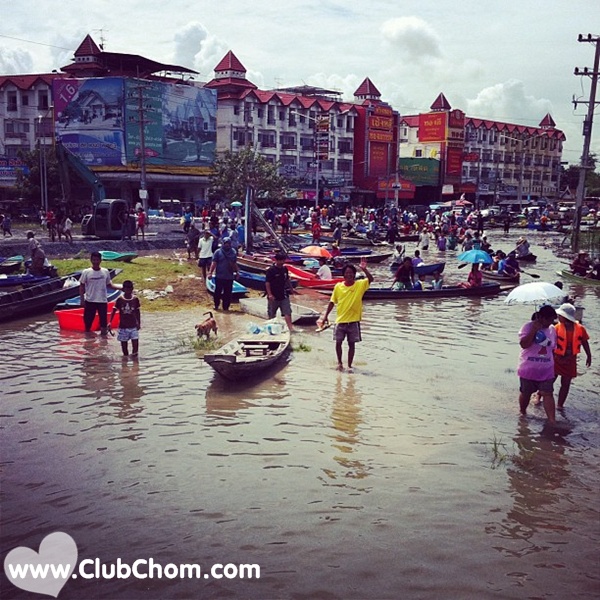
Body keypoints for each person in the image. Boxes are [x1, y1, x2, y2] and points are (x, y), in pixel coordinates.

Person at [320, 258, 373, 373]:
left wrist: (364, 269)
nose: (349, 275)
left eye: (351, 273)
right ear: (343, 275)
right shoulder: (338, 286)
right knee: (338, 342)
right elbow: (332, 302)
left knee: (351, 344)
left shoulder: (360, 285)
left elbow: (371, 279)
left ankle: (349, 365)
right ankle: (339, 363)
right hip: (340, 320)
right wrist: (325, 317)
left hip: (353, 321)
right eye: (347, 273)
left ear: (354, 275)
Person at [517, 305, 558, 424]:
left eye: (553, 320)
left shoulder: (552, 329)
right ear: (541, 317)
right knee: (526, 393)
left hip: (546, 368)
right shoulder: (527, 326)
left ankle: (552, 421)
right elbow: (524, 344)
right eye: (549, 319)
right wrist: (533, 330)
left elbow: (553, 347)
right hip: (528, 368)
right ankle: (523, 413)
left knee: (548, 393)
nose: (552, 322)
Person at [552, 303, 592, 409]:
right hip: (557, 358)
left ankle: (560, 404)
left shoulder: (580, 328)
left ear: (565, 317)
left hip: (570, 359)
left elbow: (585, 342)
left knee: (566, 383)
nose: (558, 317)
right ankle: (539, 395)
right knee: (550, 380)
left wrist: (589, 355)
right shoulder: (556, 328)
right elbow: (551, 344)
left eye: (560, 315)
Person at [79, 252, 123, 335]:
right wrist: (82, 300)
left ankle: (104, 342)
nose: (95, 262)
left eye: (97, 260)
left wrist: (121, 288)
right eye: (94, 260)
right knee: (87, 324)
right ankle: (88, 341)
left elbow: (110, 285)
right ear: (91, 260)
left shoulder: (105, 271)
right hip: (90, 301)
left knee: (103, 324)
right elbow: (81, 286)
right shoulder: (86, 272)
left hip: (102, 301)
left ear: (100, 260)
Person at [265, 251, 297, 331]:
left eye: (283, 260)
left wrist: (291, 289)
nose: (282, 262)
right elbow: (267, 283)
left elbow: (287, 280)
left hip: (284, 294)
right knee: (272, 313)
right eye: (280, 260)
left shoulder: (285, 269)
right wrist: (270, 294)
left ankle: (290, 328)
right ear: (276, 260)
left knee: (287, 312)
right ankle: (271, 328)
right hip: (273, 295)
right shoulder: (271, 270)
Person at [109, 280, 141, 357]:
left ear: (132, 289)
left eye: (130, 289)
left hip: (133, 326)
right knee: (124, 346)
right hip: (123, 327)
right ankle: (125, 359)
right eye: (126, 289)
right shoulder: (120, 299)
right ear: (123, 289)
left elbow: (137, 312)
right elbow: (113, 310)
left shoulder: (135, 299)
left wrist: (138, 323)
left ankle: (135, 359)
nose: (128, 291)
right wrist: (109, 322)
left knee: (135, 343)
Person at [208, 237, 239, 311]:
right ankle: (216, 305)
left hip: (229, 277)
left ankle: (226, 307)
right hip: (219, 276)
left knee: (228, 294)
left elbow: (234, 264)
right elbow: (214, 263)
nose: (227, 245)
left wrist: (237, 272)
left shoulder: (233, 252)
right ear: (223, 243)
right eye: (226, 243)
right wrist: (210, 273)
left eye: (228, 243)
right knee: (217, 293)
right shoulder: (218, 252)